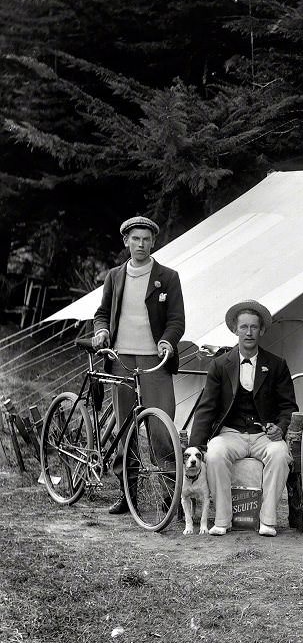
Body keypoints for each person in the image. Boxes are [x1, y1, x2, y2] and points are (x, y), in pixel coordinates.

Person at [92, 216, 185, 515]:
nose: (141, 244)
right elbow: (102, 312)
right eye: (135, 239)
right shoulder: (115, 276)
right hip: (121, 360)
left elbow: (176, 320)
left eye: (146, 239)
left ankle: (169, 496)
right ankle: (127, 493)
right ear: (126, 242)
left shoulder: (168, 277)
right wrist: (101, 330)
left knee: (160, 428)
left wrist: (168, 342)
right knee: (124, 428)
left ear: (153, 242)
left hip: (154, 362)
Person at [189, 301, 298, 537]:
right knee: (215, 453)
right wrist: (195, 444)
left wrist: (280, 428)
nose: (249, 333)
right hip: (231, 432)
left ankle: (267, 520)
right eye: (244, 327)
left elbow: (288, 406)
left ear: (262, 330)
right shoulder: (220, 365)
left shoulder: (277, 365)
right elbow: (207, 407)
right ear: (235, 330)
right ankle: (222, 520)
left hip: (263, 435)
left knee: (279, 454)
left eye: (254, 327)